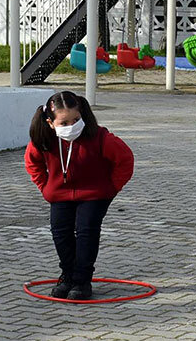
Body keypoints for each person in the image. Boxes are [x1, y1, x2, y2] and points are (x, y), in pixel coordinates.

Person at [24, 91, 134, 300]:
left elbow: (125, 159)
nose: (71, 126)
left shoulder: (99, 137)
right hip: (59, 194)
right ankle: (67, 276)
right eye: (64, 123)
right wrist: (45, 187)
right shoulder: (44, 139)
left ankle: (82, 280)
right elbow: (32, 163)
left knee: (86, 232)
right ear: (50, 122)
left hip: (95, 194)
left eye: (75, 120)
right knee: (60, 233)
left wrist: (112, 187)